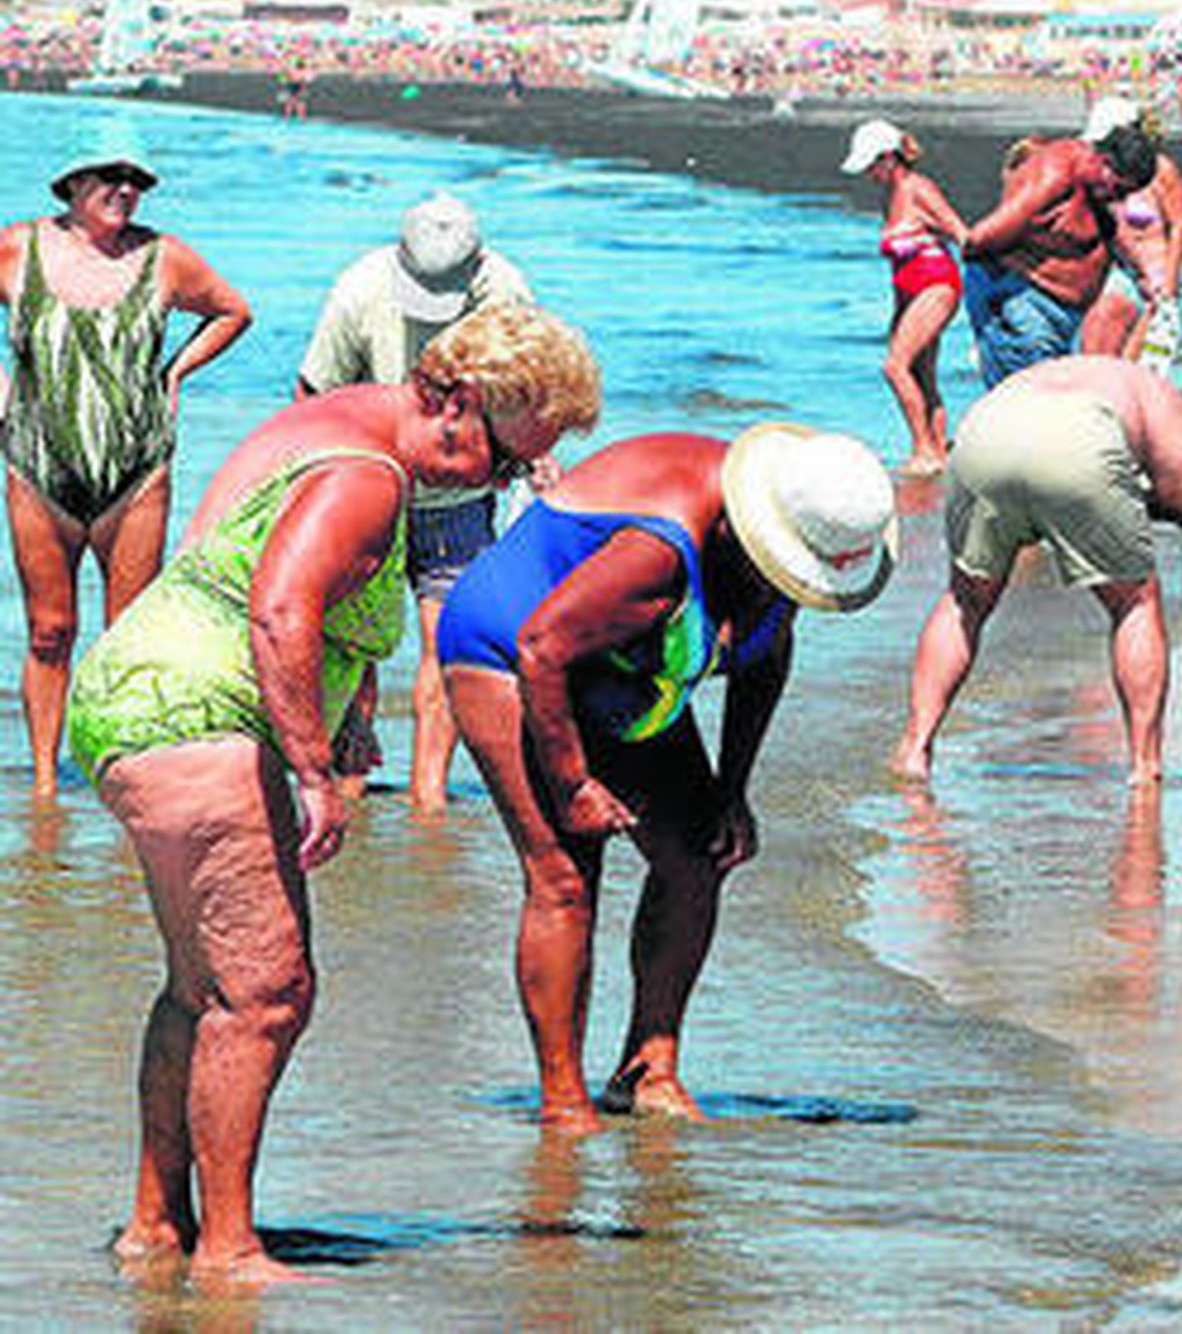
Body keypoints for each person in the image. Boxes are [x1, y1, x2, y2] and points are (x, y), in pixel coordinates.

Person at [65, 300, 601, 1287]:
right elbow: (280, 609)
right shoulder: (367, 474)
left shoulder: (334, 419)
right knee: (266, 991)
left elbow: (249, 565)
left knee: (203, 987)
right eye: (505, 460)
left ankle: (157, 1223)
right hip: (197, 709)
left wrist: (343, 714)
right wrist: (316, 772)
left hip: (139, 692)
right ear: (457, 402)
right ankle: (230, 1249)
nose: (501, 483)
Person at [438, 423, 896, 1133]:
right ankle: (563, 1099)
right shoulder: (659, 552)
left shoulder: (791, 551)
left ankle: (648, 1069)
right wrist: (573, 784)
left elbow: (765, 658)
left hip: (617, 660)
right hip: (508, 645)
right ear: (749, 531)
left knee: (699, 852)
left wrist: (732, 790)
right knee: (565, 877)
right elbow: (542, 648)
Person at [0, 155, 252, 801]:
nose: (125, 190)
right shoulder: (20, 248)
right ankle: (46, 789)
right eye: (111, 178)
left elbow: (232, 310)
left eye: (137, 182)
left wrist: (176, 372)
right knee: (49, 631)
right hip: (37, 468)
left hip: (135, 475)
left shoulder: (164, 258)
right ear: (73, 185)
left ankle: (120, 778)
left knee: (129, 638)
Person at [890, 356, 1182, 786]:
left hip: (985, 425)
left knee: (965, 599)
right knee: (1134, 603)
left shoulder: (1155, 407)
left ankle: (915, 748)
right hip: (1079, 431)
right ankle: (1144, 766)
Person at [296, 192, 536, 811]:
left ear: (477, 266)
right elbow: (314, 394)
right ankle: (347, 783)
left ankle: (428, 800)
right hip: (371, 484)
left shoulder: (506, 293)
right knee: (356, 643)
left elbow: (533, 391)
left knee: (448, 641)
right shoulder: (359, 289)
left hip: (461, 496)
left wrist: (531, 458)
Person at [960, 120, 1161, 387]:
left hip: (1060, 319)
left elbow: (1110, 228)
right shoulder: (1053, 175)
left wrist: (1142, 273)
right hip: (1025, 312)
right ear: (1102, 161)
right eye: (1120, 189)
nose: (1120, 198)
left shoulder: (1098, 187)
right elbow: (979, 240)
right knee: (1030, 403)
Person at [841, 119, 969, 476]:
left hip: (937, 284)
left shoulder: (919, 189)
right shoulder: (889, 196)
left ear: (888, 158)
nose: (868, 175)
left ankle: (923, 451)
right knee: (921, 373)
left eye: (871, 166)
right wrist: (898, 312)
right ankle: (939, 452)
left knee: (895, 367)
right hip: (910, 290)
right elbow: (900, 265)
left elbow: (961, 234)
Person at [1076, 100, 1182, 371]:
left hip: (1155, 279)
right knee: (1104, 363)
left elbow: (1178, 225)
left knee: (1143, 370)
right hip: (1120, 273)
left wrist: (1168, 286)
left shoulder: (1161, 170)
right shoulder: (1100, 173)